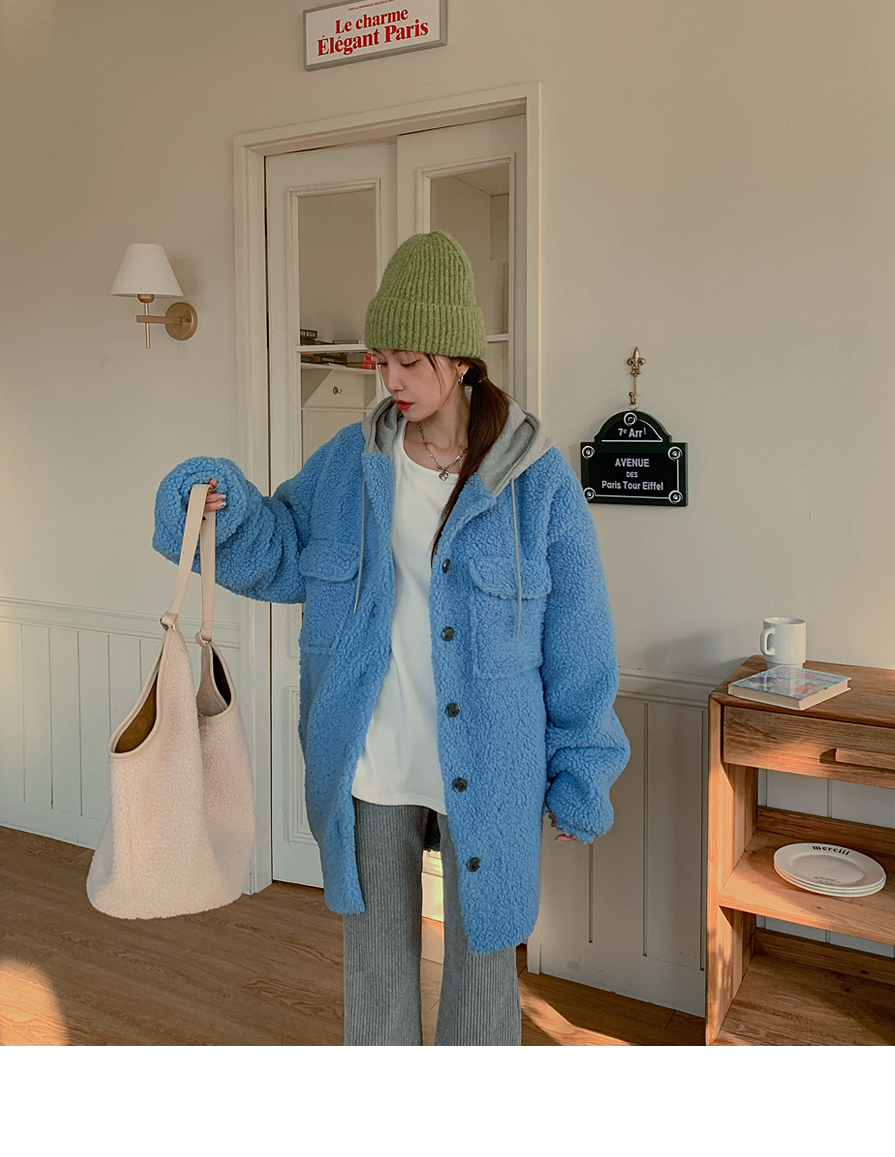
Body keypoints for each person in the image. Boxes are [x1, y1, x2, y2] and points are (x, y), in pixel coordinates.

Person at [152, 229, 630, 1045]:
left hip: (492, 761)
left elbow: (580, 635)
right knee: (374, 969)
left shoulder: (535, 479)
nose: (392, 380)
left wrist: (582, 768)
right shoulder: (349, 463)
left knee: (484, 973)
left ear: (461, 360)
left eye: (410, 361)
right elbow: (284, 550)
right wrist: (221, 505)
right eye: (382, 362)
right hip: (373, 757)